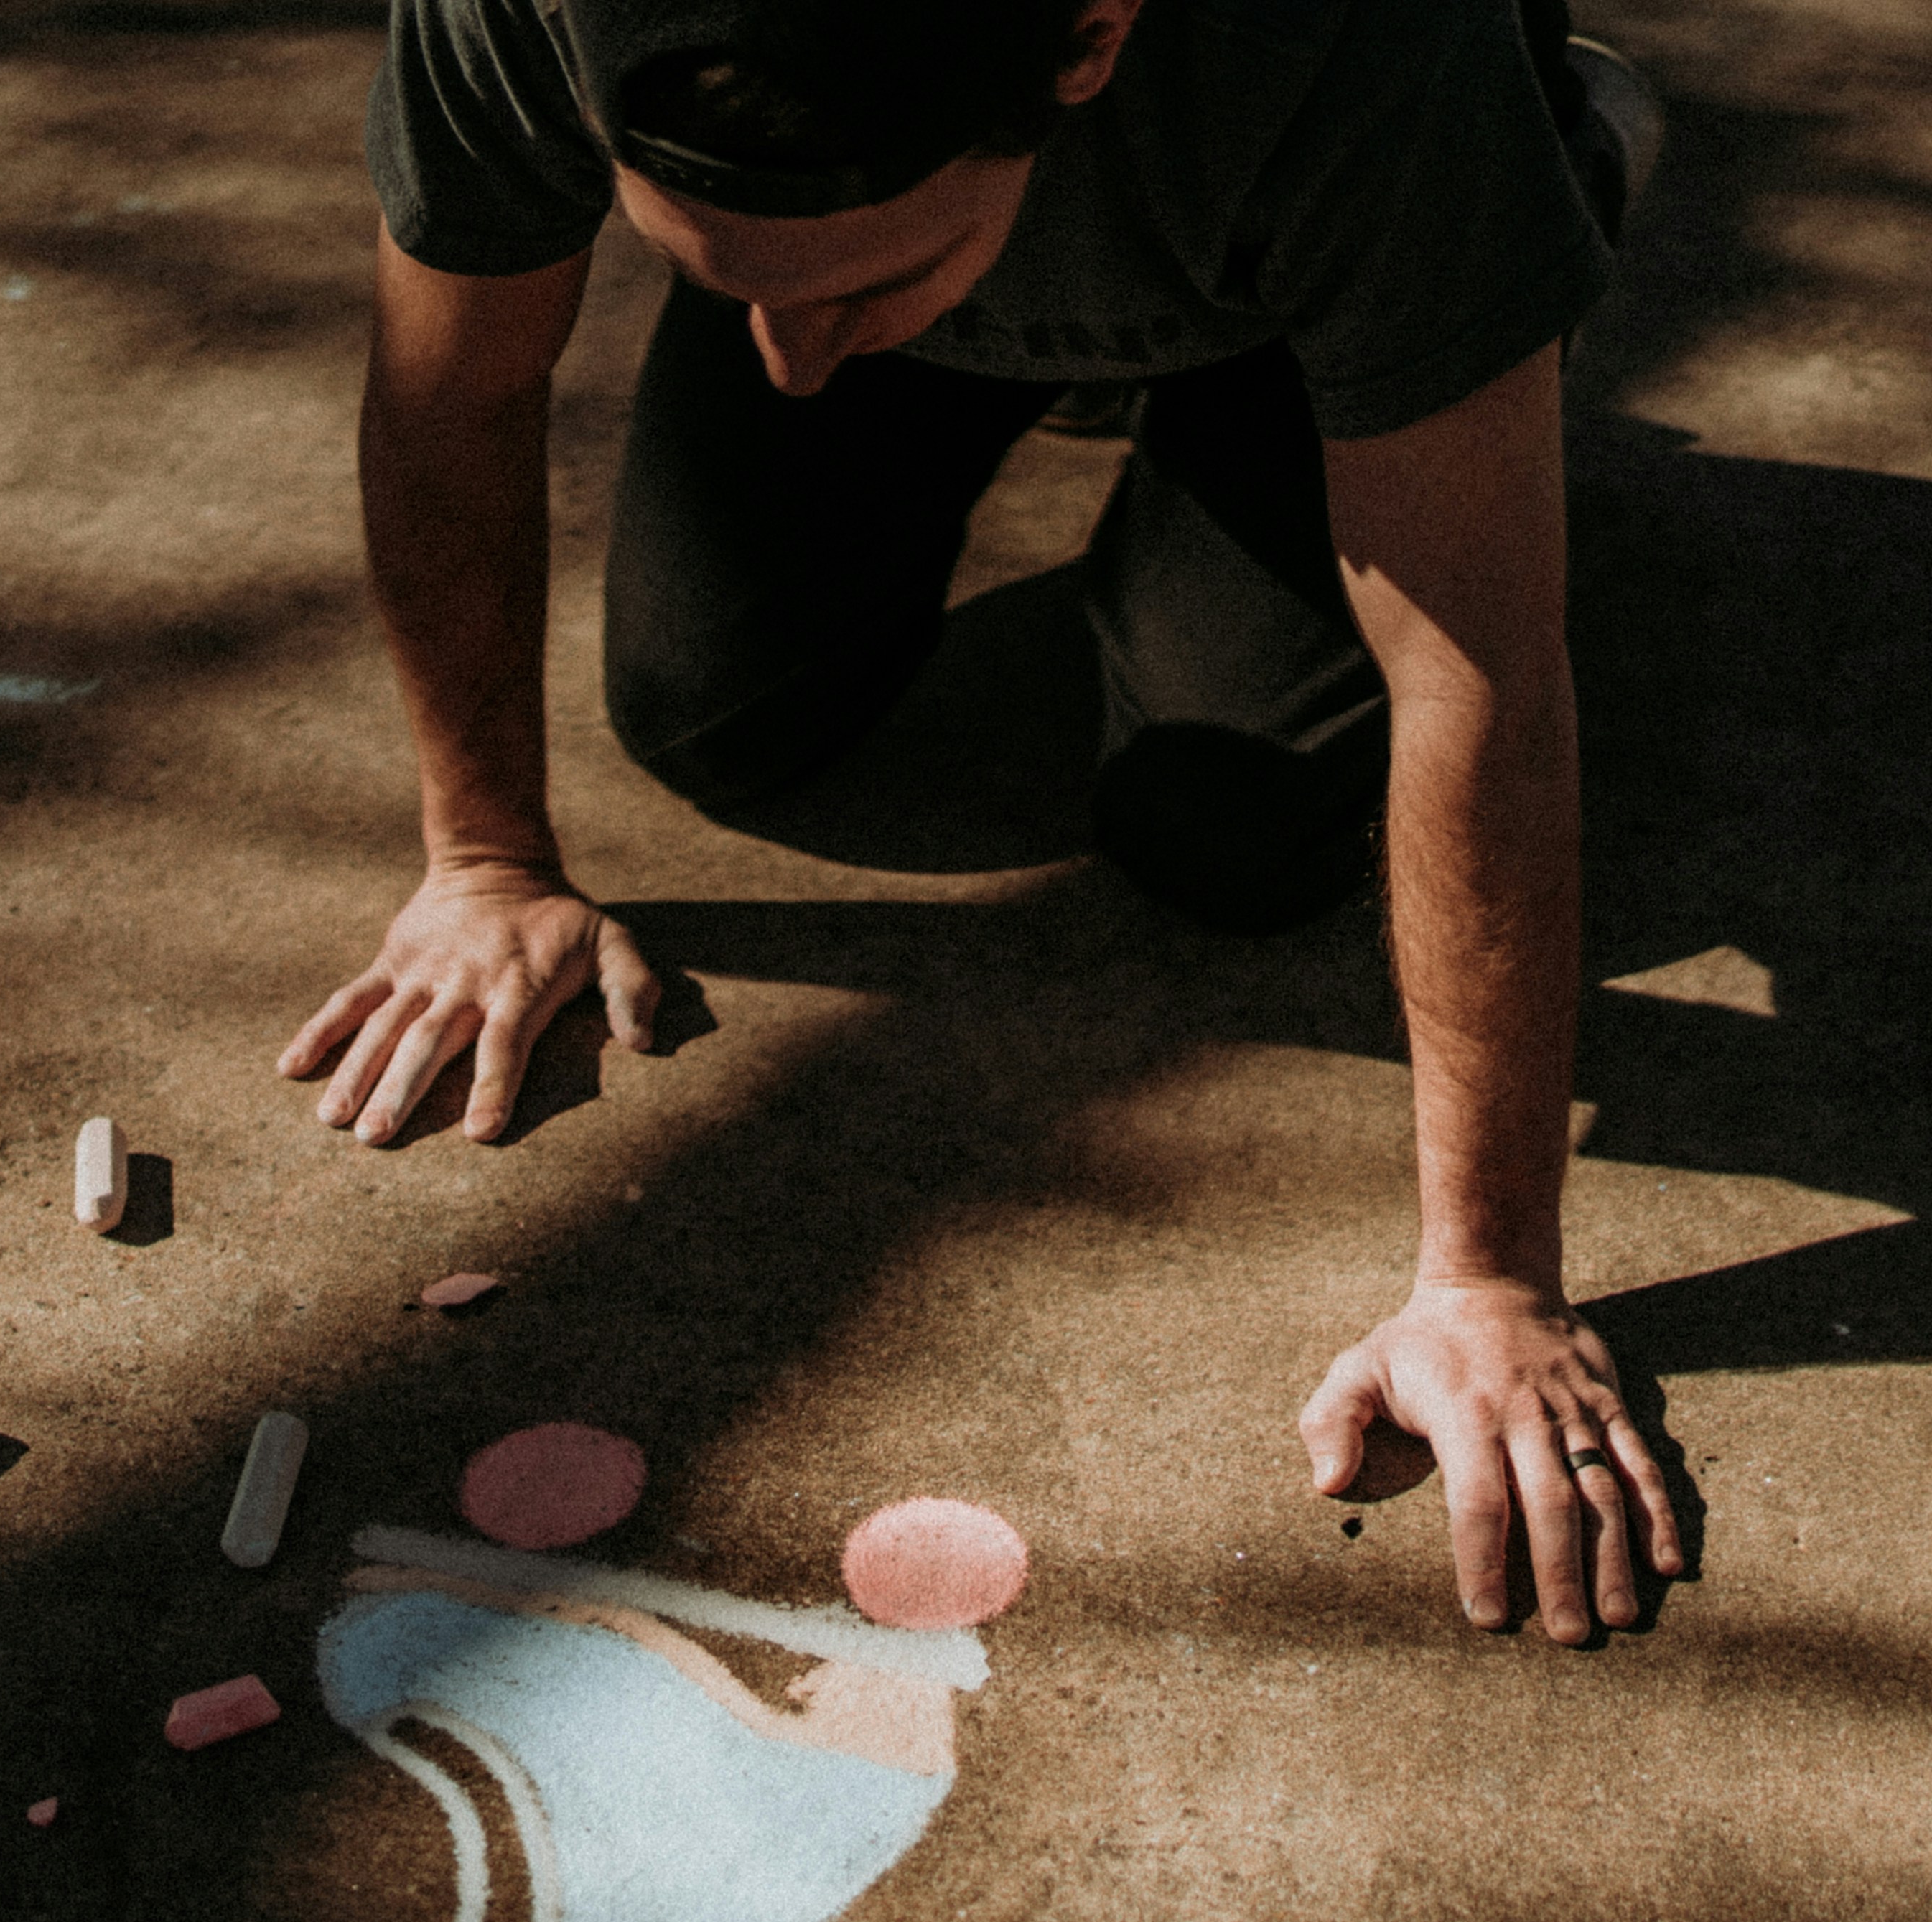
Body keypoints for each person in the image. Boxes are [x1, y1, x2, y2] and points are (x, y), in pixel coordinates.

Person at [279, 0, 1689, 1641]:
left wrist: (1491, 1275)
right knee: (715, 714)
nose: (794, 363)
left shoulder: (1367, 49)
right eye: (727, 273)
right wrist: (485, 859)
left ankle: (1550, 182)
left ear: (1089, 34)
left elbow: (1479, 671)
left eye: (846, 287)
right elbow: (452, 393)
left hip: (1299, 231)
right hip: (1029, 181)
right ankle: (933, 273)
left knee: (1230, 824)